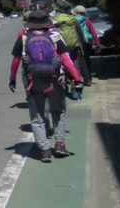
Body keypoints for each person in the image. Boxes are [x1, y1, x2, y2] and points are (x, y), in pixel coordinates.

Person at [9, 8, 83, 163]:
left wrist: (12, 78)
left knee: (38, 117)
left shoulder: (23, 38)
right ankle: (60, 145)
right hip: (55, 79)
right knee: (59, 111)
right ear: (47, 23)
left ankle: (44, 150)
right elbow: (66, 60)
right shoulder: (55, 36)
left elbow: (16, 61)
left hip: (32, 81)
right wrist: (77, 78)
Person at [52, 0, 89, 88]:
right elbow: (80, 34)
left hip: (59, 47)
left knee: (60, 64)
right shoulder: (72, 19)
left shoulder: (54, 20)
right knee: (74, 64)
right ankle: (76, 83)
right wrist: (81, 44)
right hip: (73, 46)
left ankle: (62, 84)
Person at [72, 4, 101, 83]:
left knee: (79, 60)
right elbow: (94, 33)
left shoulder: (72, 20)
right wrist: (97, 44)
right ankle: (88, 78)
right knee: (87, 59)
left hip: (77, 42)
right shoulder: (87, 20)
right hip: (87, 42)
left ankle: (82, 78)